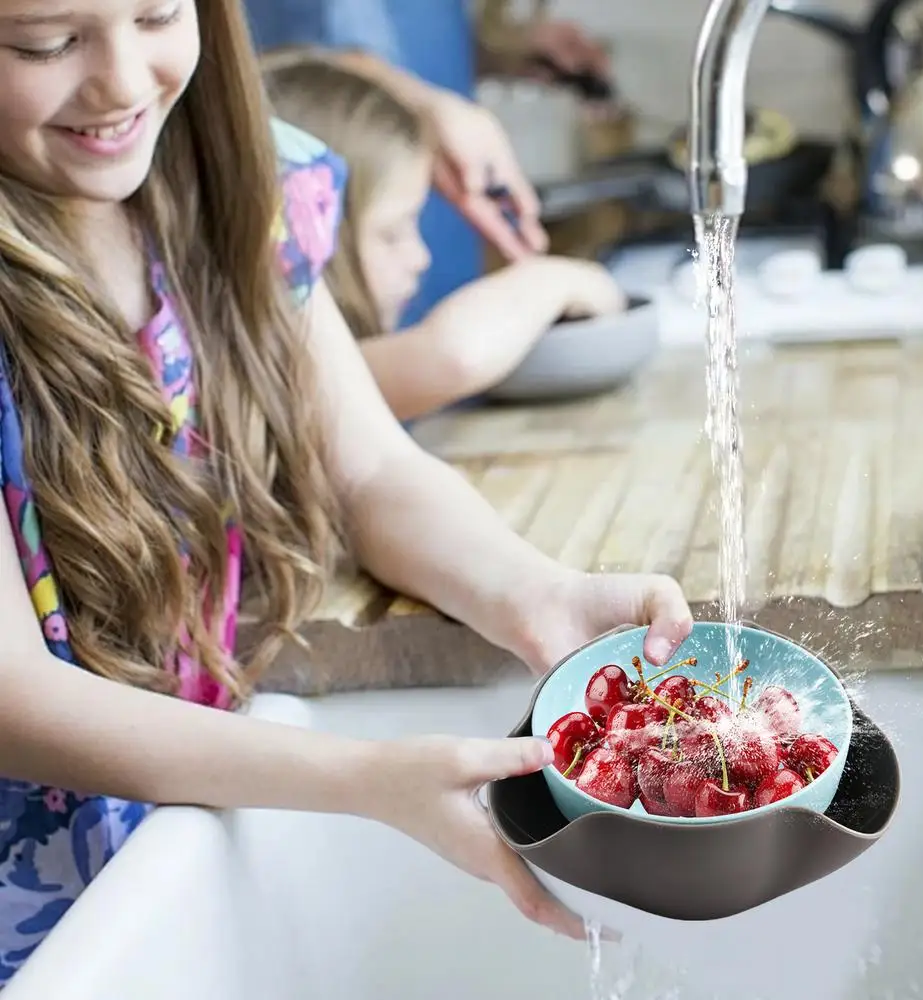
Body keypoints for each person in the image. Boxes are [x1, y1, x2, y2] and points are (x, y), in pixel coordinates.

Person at [0, 0, 691, 985]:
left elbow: (367, 469)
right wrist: (366, 779)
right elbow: (13, 695)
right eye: (45, 42)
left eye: (157, 14)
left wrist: (535, 593)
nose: (120, 79)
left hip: (179, 815)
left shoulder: (245, 183)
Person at [261, 53, 627, 421]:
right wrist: (557, 278)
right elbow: (451, 356)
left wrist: (429, 106)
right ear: (305, 237)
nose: (420, 257)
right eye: (392, 234)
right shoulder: (284, 379)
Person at [242, 0, 611, 323]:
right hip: (368, 255)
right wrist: (424, 103)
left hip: (434, 249)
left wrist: (500, 52)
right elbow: (297, 67)